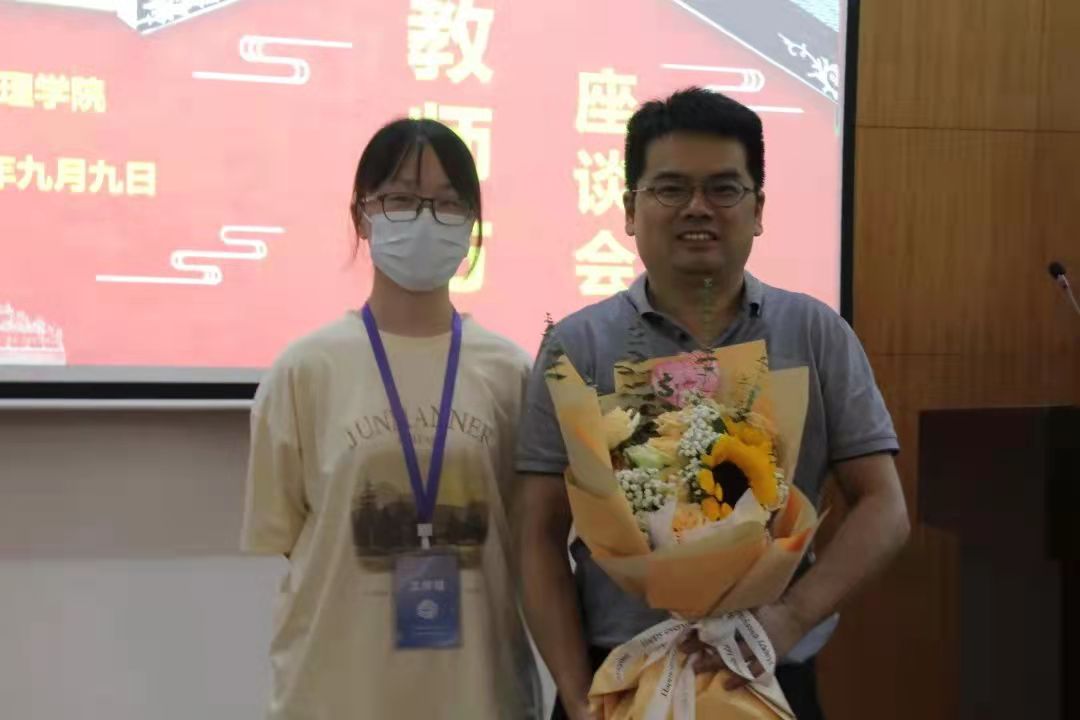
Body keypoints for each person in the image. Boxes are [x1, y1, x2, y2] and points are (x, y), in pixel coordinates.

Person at [515, 88, 911, 720]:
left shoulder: (815, 333)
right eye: (670, 188)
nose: (697, 208)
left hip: (767, 678)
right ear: (629, 209)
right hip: (616, 681)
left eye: (724, 189)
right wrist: (573, 690)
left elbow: (885, 507)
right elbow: (537, 533)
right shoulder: (576, 346)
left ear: (759, 210)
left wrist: (788, 618)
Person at [242, 118, 542, 720]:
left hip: (477, 695)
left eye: (448, 204)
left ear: (472, 226)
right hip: (338, 695)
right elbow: (292, 541)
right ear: (362, 215)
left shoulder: (509, 371)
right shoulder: (306, 370)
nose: (426, 219)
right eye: (402, 198)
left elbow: (528, 538)